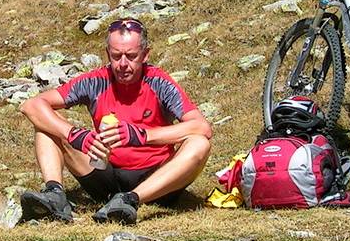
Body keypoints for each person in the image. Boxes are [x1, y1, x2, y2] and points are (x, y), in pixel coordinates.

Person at [18, 18, 212, 225]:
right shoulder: (96, 81)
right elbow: (31, 105)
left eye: (131, 56)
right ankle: (54, 194)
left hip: (156, 178)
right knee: (46, 123)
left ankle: (130, 200)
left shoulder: (159, 82)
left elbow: (201, 127)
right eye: (116, 56)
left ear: (145, 55)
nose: (123, 64)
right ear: (107, 54)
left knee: (200, 143)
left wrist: (142, 135)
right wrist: (76, 136)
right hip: (106, 172)